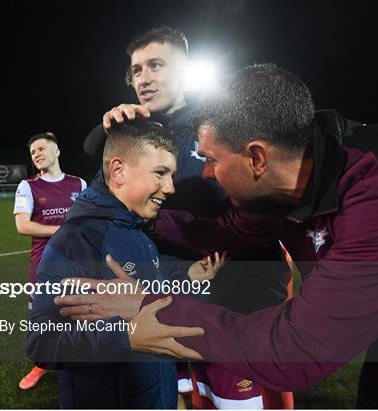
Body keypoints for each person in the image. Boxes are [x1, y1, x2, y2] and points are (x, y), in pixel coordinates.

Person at [58, 64, 378, 408]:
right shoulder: (294, 175)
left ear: (256, 158)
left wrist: (148, 308)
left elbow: (298, 349)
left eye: (211, 158)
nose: (207, 172)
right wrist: (129, 214)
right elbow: (223, 231)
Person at [84, 26, 293, 409]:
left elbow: (261, 219)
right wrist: (110, 137)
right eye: (136, 70)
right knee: (181, 398)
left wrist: (160, 225)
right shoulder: (136, 135)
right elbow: (102, 210)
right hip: (168, 295)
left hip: (239, 300)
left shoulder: (227, 121)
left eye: (156, 65)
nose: (143, 78)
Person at [27, 118, 224, 408]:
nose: (170, 188)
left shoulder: (136, 229)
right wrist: (125, 338)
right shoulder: (77, 240)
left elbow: (145, 297)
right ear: (118, 171)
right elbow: (42, 344)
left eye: (171, 175)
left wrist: (188, 280)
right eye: (160, 173)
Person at [13, 132, 86, 389]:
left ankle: (78, 359)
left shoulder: (79, 184)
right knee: (44, 318)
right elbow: (23, 225)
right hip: (43, 263)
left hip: (76, 262)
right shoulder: (28, 186)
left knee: (79, 313)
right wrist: (61, 230)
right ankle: (41, 364)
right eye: (33, 153)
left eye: (42, 149)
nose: (37, 155)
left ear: (57, 152)